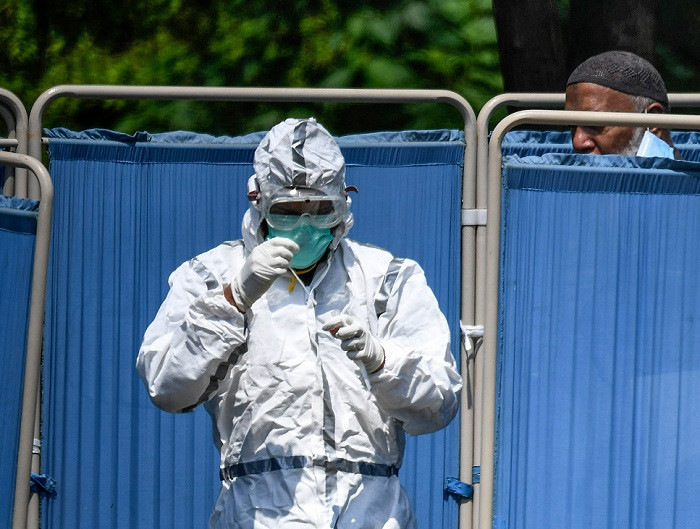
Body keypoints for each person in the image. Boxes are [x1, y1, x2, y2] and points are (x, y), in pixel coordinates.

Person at [136, 117, 461, 529]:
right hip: (258, 515)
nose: (306, 226)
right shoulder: (209, 276)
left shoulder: (387, 278)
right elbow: (165, 387)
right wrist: (232, 299)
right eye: (288, 211)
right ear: (259, 202)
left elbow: (440, 403)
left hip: (373, 516)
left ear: (345, 203)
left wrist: (383, 363)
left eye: (321, 210)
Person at [565, 50, 680, 158]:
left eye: (594, 125)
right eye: (572, 126)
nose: (577, 142)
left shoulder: (686, 180)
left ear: (653, 120)